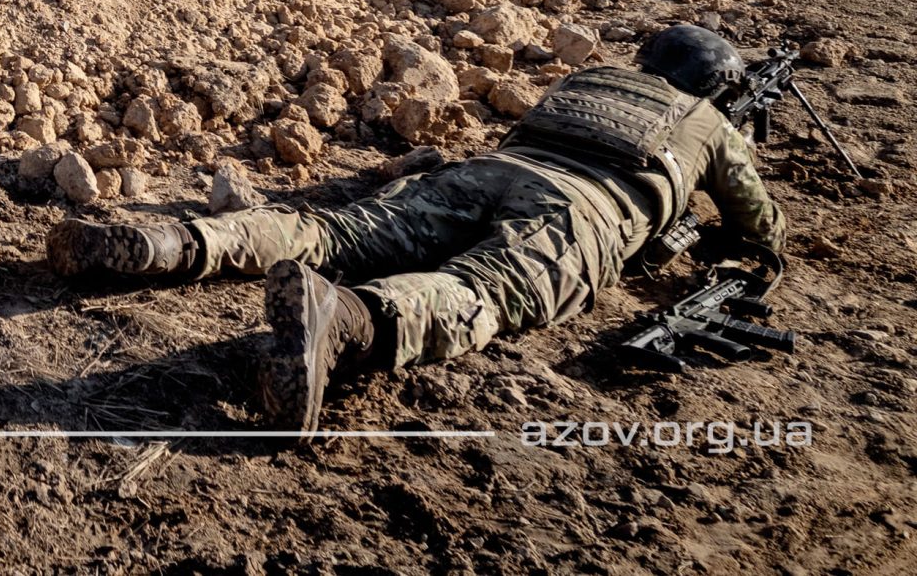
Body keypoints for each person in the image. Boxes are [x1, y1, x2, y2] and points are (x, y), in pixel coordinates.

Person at [49, 25, 789, 431]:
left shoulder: (587, 80)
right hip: (579, 210)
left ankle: (175, 244)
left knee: (339, 230)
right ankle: (346, 319)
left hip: (491, 173)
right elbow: (757, 221)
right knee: (483, 292)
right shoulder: (710, 119)